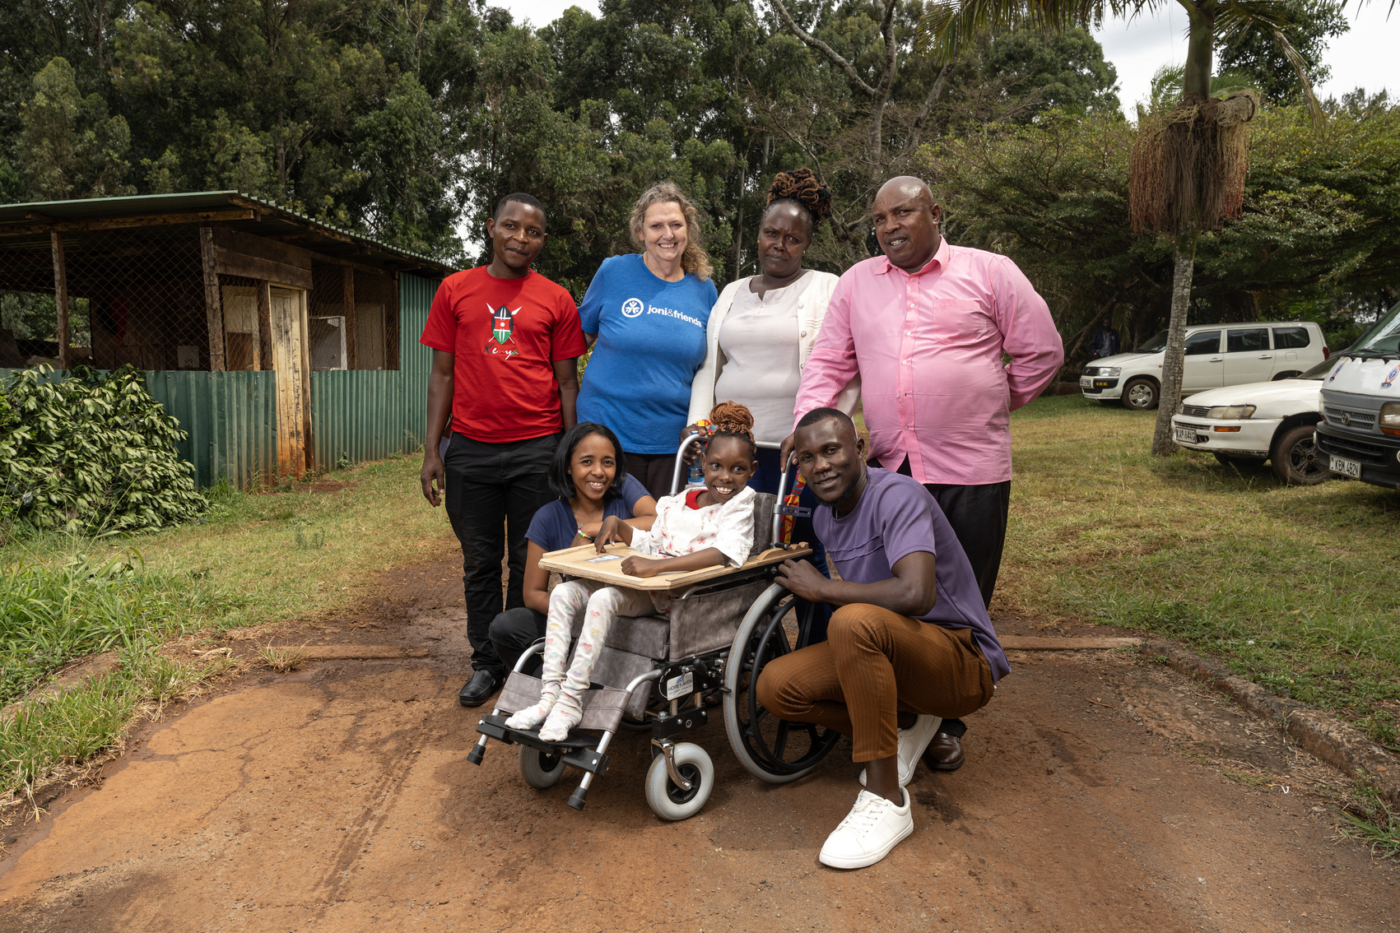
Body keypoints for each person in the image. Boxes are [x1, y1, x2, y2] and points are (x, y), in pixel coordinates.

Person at [782, 175, 1062, 771]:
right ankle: (896, 706)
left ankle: (946, 719)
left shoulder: (991, 272)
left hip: (972, 469)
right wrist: (809, 426)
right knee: (890, 596)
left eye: (903, 213)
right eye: (879, 219)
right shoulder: (858, 283)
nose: (890, 227)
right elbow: (829, 362)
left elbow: (1041, 353)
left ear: (936, 213)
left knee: (959, 602)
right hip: (890, 469)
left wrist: (990, 404)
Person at [759, 409, 1008, 869]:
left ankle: (886, 798)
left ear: (860, 449)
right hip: (898, 649)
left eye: (831, 450)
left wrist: (824, 589)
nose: (820, 466)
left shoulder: (897, 495)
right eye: (807, 458)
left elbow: (915, 594)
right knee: (777, 687)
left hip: (960, 660)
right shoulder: (827, 518)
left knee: (851, 621)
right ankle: (906, 722)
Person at [419, 192, 587, 708]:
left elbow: (567, 384)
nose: (520, 238)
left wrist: (569, 454)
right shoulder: (455, 289)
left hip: (537, 449)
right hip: (470, 450)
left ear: (542, 240)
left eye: (532, 232)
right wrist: (432, 450)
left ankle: (523, 661)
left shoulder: (556, 298)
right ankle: (486, 664)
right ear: (491, 227)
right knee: (480, 561)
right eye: (511, 226)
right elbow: (442, 375)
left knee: (529, 562)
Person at [506, 403, 760, 742]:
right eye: (716, 466)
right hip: (648, 587)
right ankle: (550, 695)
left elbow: (722, 553)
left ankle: (571, 701)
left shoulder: (741, 505)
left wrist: (658, 566)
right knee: (565, 592)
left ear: (751, 471)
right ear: (702, 463)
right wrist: (620, 526)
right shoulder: (683, 500)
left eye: (737, 469)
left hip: (680, 596)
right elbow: (653, 540)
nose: (725, 477)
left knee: (603, 598)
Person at [685, 169, 857, 642]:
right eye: (771, 233)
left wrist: (820, 433)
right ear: (758, 234)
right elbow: (711, 365)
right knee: (733, 551)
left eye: (793, 238)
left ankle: (816, 651)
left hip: (793, 454)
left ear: (807, 244)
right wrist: (698, 424)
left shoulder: (826, 287)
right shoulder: (731, 292)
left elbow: (848, 368)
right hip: (733, 453)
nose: (780, 245)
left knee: (799, 553)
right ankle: (750, 652)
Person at [576, 182, 720, 498]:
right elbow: (577, 340)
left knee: (661, 526)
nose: (667, 234)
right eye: (656, 226)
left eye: (676, 225)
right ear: (640, 232)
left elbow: (710, 367)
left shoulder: (705, 289)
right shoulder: (613, 272)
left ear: (688, 229)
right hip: (604, 436)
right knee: (601, 526)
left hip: (672, 444)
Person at [488, 422, 658, 676]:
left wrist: (591, 529)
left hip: (629, 612)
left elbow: (657, 520)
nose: (598, 471)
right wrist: (578, 614)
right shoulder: (547, 518)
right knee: (506, 627)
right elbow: (532, 594)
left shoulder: (624, 487)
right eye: (587, 462)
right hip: (577, 611)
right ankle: (546, 681)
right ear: (568, 466)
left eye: (608, 462)